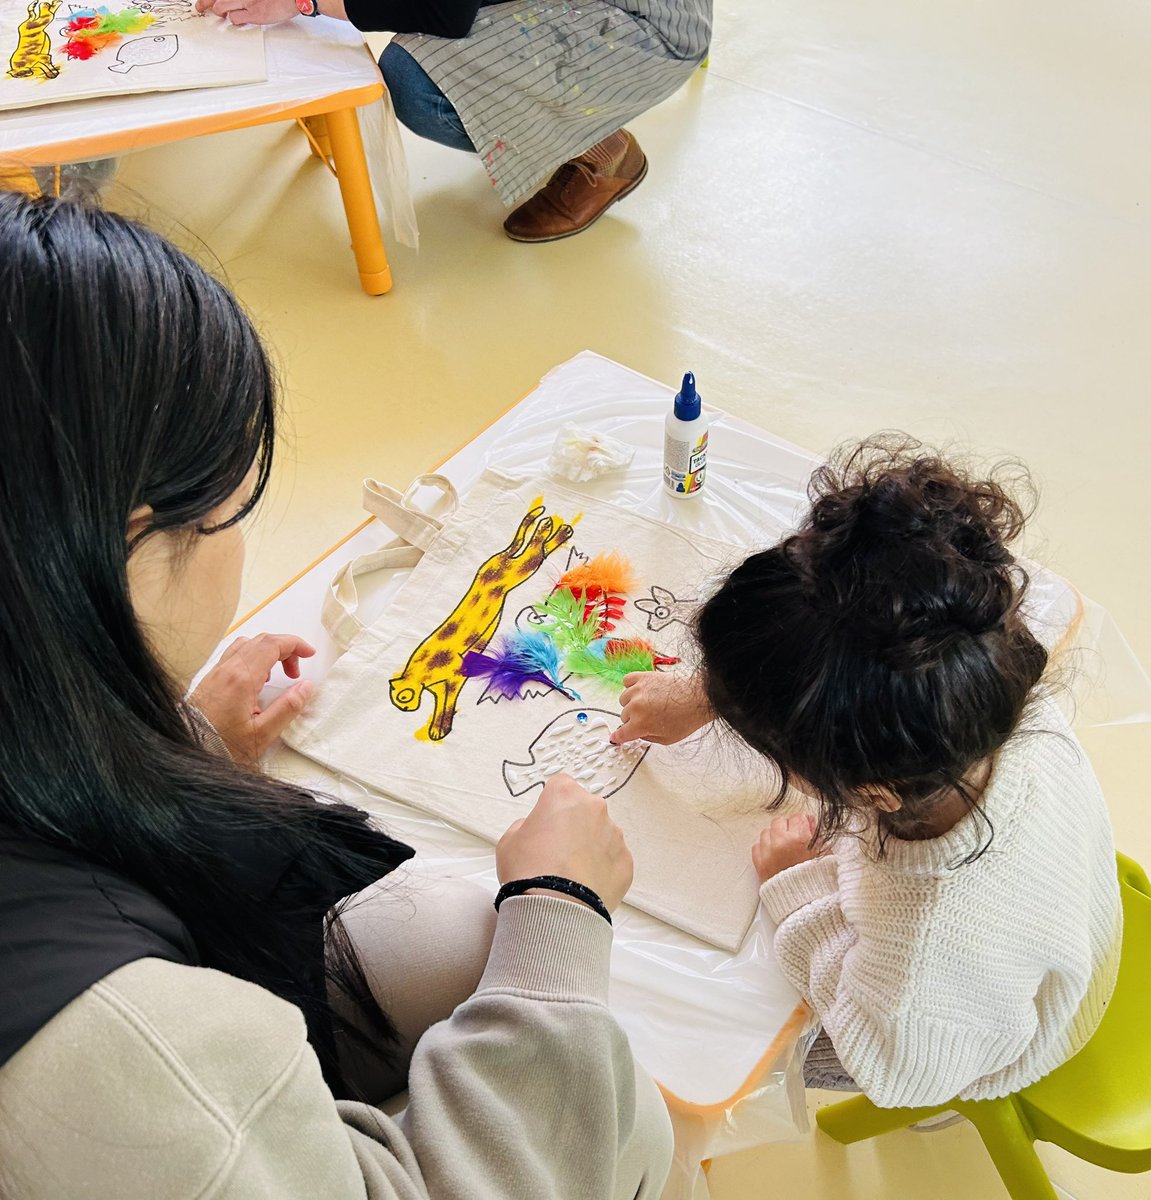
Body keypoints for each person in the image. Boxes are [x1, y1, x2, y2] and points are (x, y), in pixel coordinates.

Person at [0, 189, 671, 1199]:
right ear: (132, 544)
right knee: (600, 1062)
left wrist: (161, 740)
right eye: (233, 508)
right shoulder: (128, 1066)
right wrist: (560, 913)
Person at [614, 437, 1122, 1109]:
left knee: (765, 1035)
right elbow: (829, 638)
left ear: (867, 791)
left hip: (983, 1040)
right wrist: (712, 693)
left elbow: (895, 1072)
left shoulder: (921, 962)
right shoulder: (981, 686)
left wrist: (796, 891)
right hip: (1072, 922)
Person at [196, 0, 710, 243]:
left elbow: (446, 10)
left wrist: (301, 1)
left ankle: (600, 149)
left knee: (417, 79)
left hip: (649, 26)